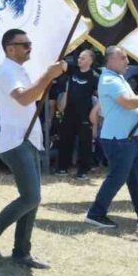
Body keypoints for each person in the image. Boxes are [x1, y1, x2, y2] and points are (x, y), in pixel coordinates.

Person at [0, 29, 66, 270]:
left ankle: (22, 253)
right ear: (10, 48)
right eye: (24, 44)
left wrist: (48, 76)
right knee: (31, 197)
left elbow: (33, 96)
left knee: (32, 199)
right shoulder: (6, 71)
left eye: (29, 43)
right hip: (16, 142)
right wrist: (48, 74)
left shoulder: (18, 70)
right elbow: (25, 98)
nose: (29, 47)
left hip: (27, 140)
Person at [84, 46, 138, 229]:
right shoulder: (109, 80)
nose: (127, 61)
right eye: (122, 58)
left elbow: (132, 103)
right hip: (119, 137)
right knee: (118, 177)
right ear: (110, 60)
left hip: (128, 136)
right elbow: (128, 103)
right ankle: (96, 214)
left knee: (137, 177)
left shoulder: (119, 78)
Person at [54, 49, 99, 179]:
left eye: (83, 58)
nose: (79, 60)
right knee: (65, 139)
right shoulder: (73, 70)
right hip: (69, 112)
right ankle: (62, 168)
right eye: (79, 57)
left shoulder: (94, 77)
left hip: (85, 114)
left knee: (85, 143)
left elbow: (101, 95)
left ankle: (83, 171)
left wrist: (95, 112)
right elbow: (61, 64)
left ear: (90, 60)